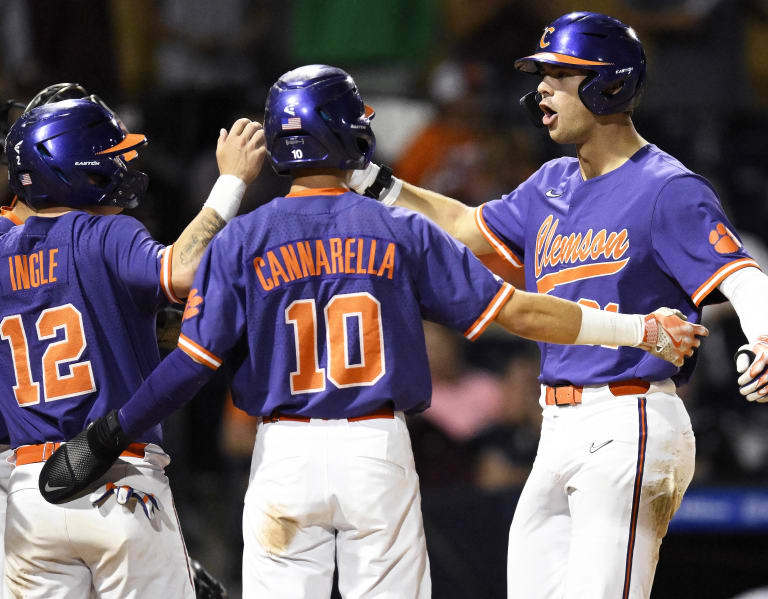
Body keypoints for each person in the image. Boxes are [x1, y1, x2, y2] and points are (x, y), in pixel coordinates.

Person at [39, 65, 705, 599]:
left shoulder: (240, 239)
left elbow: (189, 364)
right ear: (346, 134)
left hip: (283, 458)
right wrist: (638, 328)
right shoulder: (399, 227)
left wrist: (107, 435)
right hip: (374, 451)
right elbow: (520, 311)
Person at [343, 11, 768, 599]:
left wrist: (764, 338)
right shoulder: (551, 183)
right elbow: (468, 225)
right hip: (558, 425)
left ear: (608, 84)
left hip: (630, 416)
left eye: (559, 74)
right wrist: (376, 183)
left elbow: (745, 277)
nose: (540, 87)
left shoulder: (666, 187)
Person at [0, 97, 264, 597]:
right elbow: (183, 270)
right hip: (117, 478)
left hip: (28, 496)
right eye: (110, 152)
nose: (121, 162)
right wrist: (231, 182)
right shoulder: (105, 232)